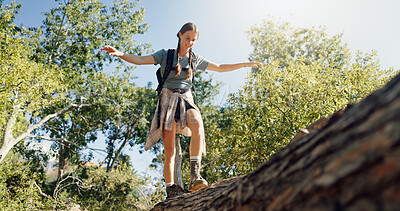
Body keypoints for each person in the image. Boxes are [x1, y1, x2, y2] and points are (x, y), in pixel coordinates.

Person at [101, 22, 261, 198]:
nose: (190, 42)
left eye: (194, 40)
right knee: (170, 151)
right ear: (179, 35)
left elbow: (221, 68)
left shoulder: (195, 59)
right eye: (187, 38)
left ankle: (195, 176)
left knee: (197, 125)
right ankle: (171, 189)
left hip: (186, 99)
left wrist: (245, 64)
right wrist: (119, 54)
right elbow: (140, 60)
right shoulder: (165, 55)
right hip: (167, 100)